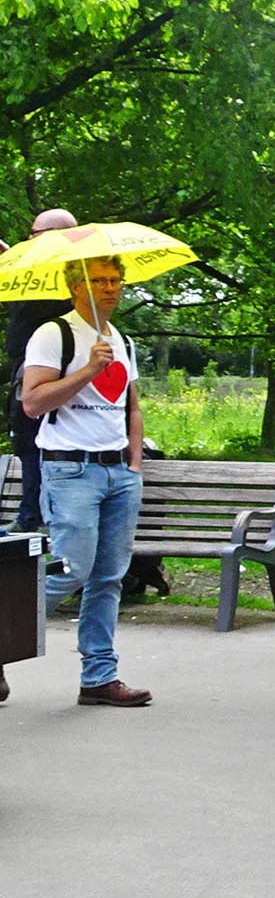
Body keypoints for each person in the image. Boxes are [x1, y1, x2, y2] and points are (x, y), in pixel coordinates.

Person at [19, 253, 149, 706]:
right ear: (76, 287)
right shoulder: (53, 334)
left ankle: (99, 678)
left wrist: (135, 463)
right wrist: (89, 369)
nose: (109, 288)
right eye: (98, 280)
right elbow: (33, 403)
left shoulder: (122, 339)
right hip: (70, 469)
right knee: (70, 571)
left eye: (115, 280)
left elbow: (132, 405)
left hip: (119, 473)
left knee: (109, 578)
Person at [5, 208, 79, 537]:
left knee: (36, 444)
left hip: (44, 375)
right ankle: (34, 513)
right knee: (27, 444)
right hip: (28, 372)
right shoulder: (44, 272)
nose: (29, 239)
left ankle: (36, 516)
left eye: (34, 234)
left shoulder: (65, 275)